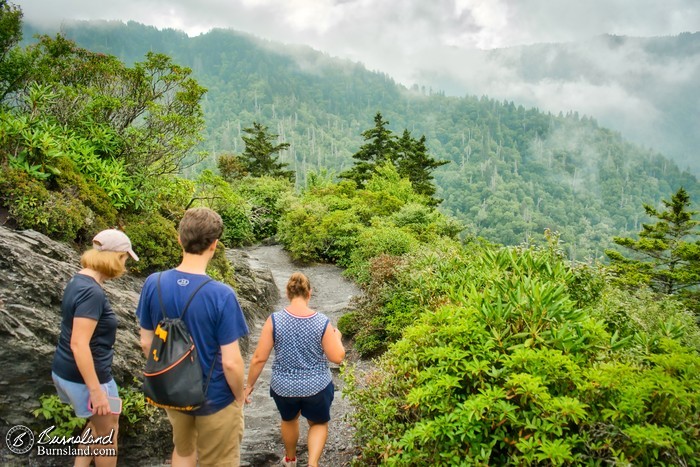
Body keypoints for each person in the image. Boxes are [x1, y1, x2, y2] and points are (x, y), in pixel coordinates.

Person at [136, 207, 248, 467]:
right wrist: (239, 398)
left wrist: (170, 376)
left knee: (183, 452)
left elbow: (145, 342)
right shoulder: (221, 295)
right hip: (216, 397)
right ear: (214, 245)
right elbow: (231, 362)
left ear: (179, 239)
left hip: (174, 392)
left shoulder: (154, 283)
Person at [51, 229, 139, 467]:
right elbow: (79, 344)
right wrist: (97, 391)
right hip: (90, 379)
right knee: (107, 434)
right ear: (114, 257)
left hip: (66, 371)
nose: (124, 266)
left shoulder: (78, 280)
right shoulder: (91, 293)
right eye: (124, 259)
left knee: (97, 424)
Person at [245, 272, 346, 467]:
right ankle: (313, 463)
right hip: (316, 385)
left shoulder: (274, 320)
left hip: (284, 386)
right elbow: (338, 357)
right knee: (317, 423)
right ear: (310, 293)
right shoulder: (321, 321)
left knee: (289, 419)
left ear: (287, 293)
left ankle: (290, 459)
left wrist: (249, 385)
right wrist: (338, 338)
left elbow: (259, 358)